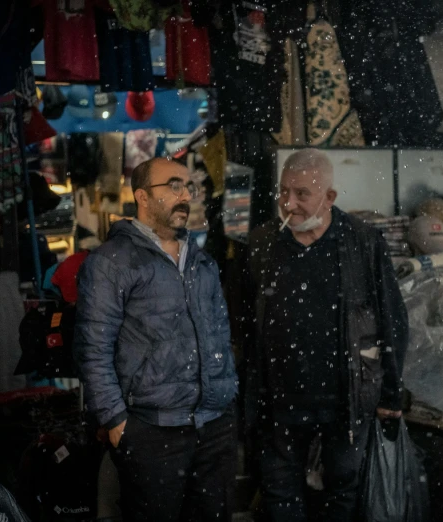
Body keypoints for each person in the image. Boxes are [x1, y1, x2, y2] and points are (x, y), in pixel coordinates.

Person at [245, 149, 409, 521]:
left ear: (329, 197)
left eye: (302, 194)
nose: (289, 204)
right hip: (280, 404)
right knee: (279, 495)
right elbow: (243, 324)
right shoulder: (262, 244)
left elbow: (391, 321)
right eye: (283, 192)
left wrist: (391, 394)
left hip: (345, 402)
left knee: (342, 494)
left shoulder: (362, 243)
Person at [74, 157, 238, 522]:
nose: (185, 196)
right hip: (153, 430)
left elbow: (220, 335)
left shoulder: (202, 262)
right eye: (174, 186)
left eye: (188, 187)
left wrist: (227, 401)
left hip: (213, 426)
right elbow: (92, 349)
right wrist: (116, 422)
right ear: (143, 197)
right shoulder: (111, 262)